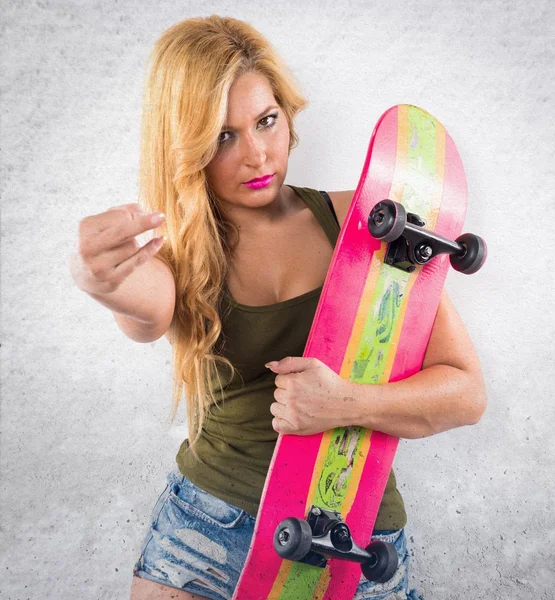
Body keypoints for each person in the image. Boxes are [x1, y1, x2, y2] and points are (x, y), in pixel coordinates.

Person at [70, 15, 486, 600]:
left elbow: (466, 394)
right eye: (222, 136)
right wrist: (97, 279)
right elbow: (145, 311)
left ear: (287, 115)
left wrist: (347, 403)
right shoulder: (181, 255)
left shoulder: (365, 222)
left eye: (266, 121)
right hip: (207, 534)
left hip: (354, 541)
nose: (257, 154)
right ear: (186, 146)